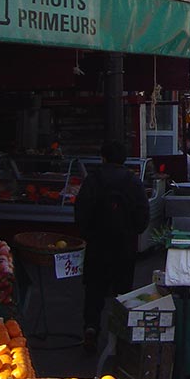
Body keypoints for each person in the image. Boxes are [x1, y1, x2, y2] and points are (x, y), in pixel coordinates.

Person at [75, 140, 150, 352]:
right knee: (123, 292)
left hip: (97, 245)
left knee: (94, 291)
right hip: (124, 245)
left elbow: (81, 211)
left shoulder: (93, 179)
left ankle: (91, 329)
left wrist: (88, 234)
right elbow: (143, 213)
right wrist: (132, 232)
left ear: (103, 157)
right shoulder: (133, 181)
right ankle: (120, 337)